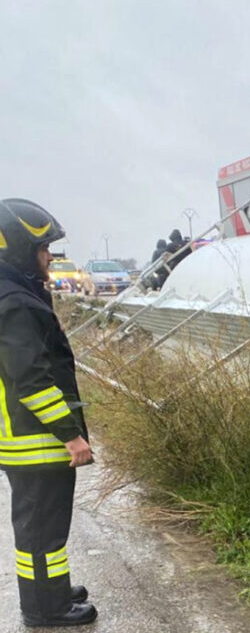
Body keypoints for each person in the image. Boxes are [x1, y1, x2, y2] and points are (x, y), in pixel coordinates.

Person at [0, 199, 97, 627]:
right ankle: (45, 608)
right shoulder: (16, 304)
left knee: (44, 530)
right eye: (43, 248)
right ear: (20, 249)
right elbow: (32, 379)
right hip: (35, 439)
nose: (49, 257)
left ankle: (51, 590)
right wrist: (69, 434)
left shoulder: (16, 294)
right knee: (41, 532)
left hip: (28, 437)